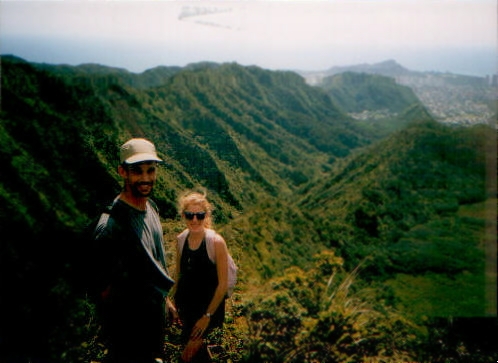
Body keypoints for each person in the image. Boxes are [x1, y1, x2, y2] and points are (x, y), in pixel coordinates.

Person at [92, 138, 177, 363]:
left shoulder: (151, 208)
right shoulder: (111, 227)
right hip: (129, 337)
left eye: (151, 170)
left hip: (154, 326)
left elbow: (154, 261)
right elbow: (102, 291)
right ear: (122, 172)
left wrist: (165, 301)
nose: (146, 178)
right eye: (137, 171)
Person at [173, 190, 230, 363]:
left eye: (200, 215)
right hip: (187, 312)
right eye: (190, 215)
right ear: (183, 216)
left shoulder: (216, 243)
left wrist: (207, 317)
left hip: (209, 313)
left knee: (188, 357)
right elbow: (179, 275)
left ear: (206, 215)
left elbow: (223, 285)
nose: (195, 220)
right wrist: (173, 304)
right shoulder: (181, 240)